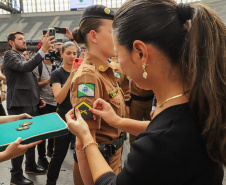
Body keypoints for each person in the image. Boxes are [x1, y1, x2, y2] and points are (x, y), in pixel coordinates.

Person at [66, 0, 226, 185]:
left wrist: (84, 139)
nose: (118, 62)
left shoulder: (158, 143)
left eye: (119, 53)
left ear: (140, 53)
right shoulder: (199, 98)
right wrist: (117, 121)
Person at [70, 5, 125, 185]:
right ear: (93, 36)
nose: (118, 38)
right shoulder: (88, 77)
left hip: (112, 158)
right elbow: (84, 144)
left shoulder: (105, 71)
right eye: (112, 32)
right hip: (99, 165)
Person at [3, 31, 53, 185]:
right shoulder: (9, 55)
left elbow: (28, 81)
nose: (24, 41)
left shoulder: (21, 56)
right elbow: (25, 68)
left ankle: (30, 166)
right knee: (18, 140)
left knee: (30, 137)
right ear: (11, 42)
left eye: (24, 39)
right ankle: (16, 176)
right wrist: (43, 50)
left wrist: (36, 99)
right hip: (18, 104)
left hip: (28, 102)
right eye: (20, 39)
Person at [46, 41, 78, 185]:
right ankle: (50, 182)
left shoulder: (83, 71)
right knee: (59, 154)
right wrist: (71, 77)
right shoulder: (57, 73)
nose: (72, 56)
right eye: (68, 53)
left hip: (80, 115)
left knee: (82, 154)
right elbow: (58, 97)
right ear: (61, 54)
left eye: (75, 53)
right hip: (63, 115)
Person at [33, 54, 58, 170]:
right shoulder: (39, 66)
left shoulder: (57, 63)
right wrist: (49, 80)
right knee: (43, 133)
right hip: (44, 103)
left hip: (56, 102)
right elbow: (35, 85)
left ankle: (50, 151)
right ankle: (41, 157)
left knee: (54, 130)